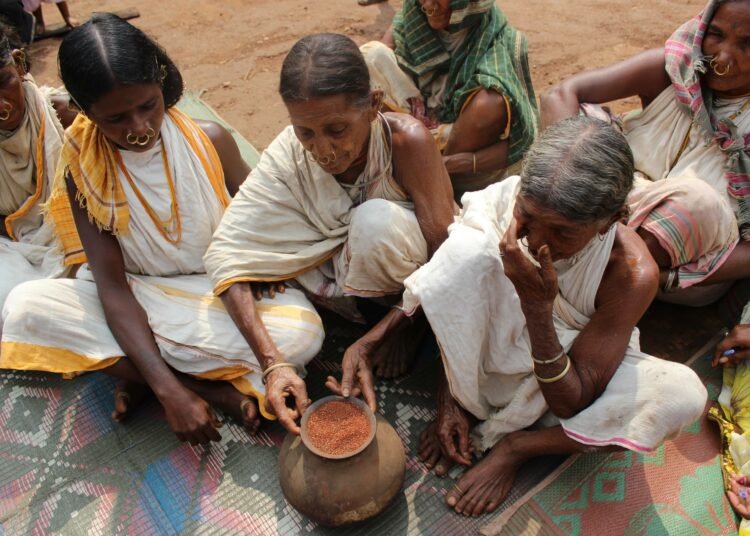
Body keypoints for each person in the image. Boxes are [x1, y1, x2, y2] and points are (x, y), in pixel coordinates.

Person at [0, 14, 325, 445]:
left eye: (148, 106)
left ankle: (141, 370)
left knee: (302, 332)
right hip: (141, 296)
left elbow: (267, 222)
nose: (138, 129)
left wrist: (257, 268)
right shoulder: (82, 174)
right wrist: (171, 393)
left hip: (218, 291)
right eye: (116, 118)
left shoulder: (211, 141)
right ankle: (198, 386)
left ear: (163, 83)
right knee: (27, 306)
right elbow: (113, 290)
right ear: (84, 111)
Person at [402, 116, 707, 516]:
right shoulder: (510, 199)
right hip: (487, 353)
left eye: (563, 233)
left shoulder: (631, 274)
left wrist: (537, 307)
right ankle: (463, 398)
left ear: (610, 220)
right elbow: (455, 300)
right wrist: (450, 398)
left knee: (681, 396)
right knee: (462, 257)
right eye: (528, 218)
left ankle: (519, 445)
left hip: (563, 374)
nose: (538, 241)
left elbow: (572, 401)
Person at [203, 33, 456, 434]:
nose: (323, 151)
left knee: (375, 225)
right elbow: (226, 253)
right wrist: (273, 365)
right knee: (257, 278)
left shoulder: (406, 142)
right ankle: (373, 319)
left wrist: (387, 335)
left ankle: (408, 325)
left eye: (337, 129)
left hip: (402, 266)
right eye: (307, 133)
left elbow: (449, 259)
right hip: (340, 271)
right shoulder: (290, 154)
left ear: (373, 106)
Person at [541, 0, 750, 307]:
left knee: (697, 203)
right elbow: (561, 94)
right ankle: (578, 262)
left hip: (676, 261)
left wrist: (665, 277)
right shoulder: (674, 70)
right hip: (600, 207)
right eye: (716, 35)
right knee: (585, 123)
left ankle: (581, 278)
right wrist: (572, 183)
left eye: (748, 44)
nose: (723, 57)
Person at [360, 0, 538, 196]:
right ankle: (399, 161)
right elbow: (383, 53)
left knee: (489, 103)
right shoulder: (414, 12)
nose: (428, 6)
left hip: (458, 153)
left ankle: (431, 185)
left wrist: (455, 163)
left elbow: (524, 140)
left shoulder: (499, 40)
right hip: (417, 119)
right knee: (371, 56)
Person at [0, 24, 69, 317]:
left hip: (74, 233)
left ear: (18, 63)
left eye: (4, 81)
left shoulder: (62, 115)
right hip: (13, 246)